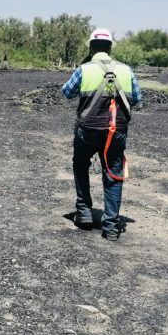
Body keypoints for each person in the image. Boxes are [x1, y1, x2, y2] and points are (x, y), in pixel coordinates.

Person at [62, 28, 142, 242]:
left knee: (80, 163)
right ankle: (111, 227)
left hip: (87, 130)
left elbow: (66, 93)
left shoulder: (84, 69)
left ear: (91, 48)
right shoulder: (126, 70)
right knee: (113, 172)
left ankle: (84, 212)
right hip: (117, 132)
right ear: (110, 48)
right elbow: (137, 99)